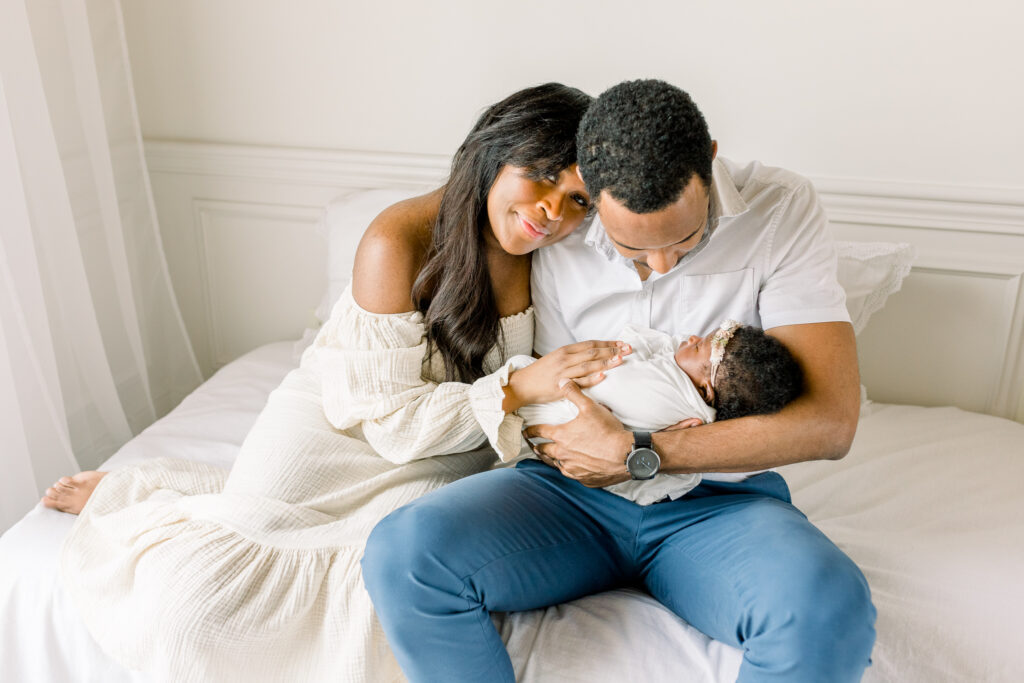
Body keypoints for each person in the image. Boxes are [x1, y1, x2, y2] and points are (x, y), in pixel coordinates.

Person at [42, 83, 629, 682]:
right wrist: (518, 387)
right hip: (346, 419)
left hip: (449, 448)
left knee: (380, 590)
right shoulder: (394, 238)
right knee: (198, 603)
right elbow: (391, 421)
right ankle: (147, 498)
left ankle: (197, 499)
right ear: (492, 152)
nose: (553, 211)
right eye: (540, 175)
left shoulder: (553, 253)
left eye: (578, 200)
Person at [361, 79, 877, 682]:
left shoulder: (779, 209)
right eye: (632, 249)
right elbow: (468, 200)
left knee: (824, 607)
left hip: (715, 505)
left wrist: (640, 455)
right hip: (562, 494)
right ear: (587, 186)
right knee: (405, 554)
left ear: (708, 160)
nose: (660, 266)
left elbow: (830, 424)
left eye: (686, 240)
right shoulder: (552, 216)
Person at [514, 320, 803, 505]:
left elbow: (626, 352)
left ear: (705, 391)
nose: (689, 338)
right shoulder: (701, 421)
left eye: (698, 346)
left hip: (544, 423)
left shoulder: (665, 379)